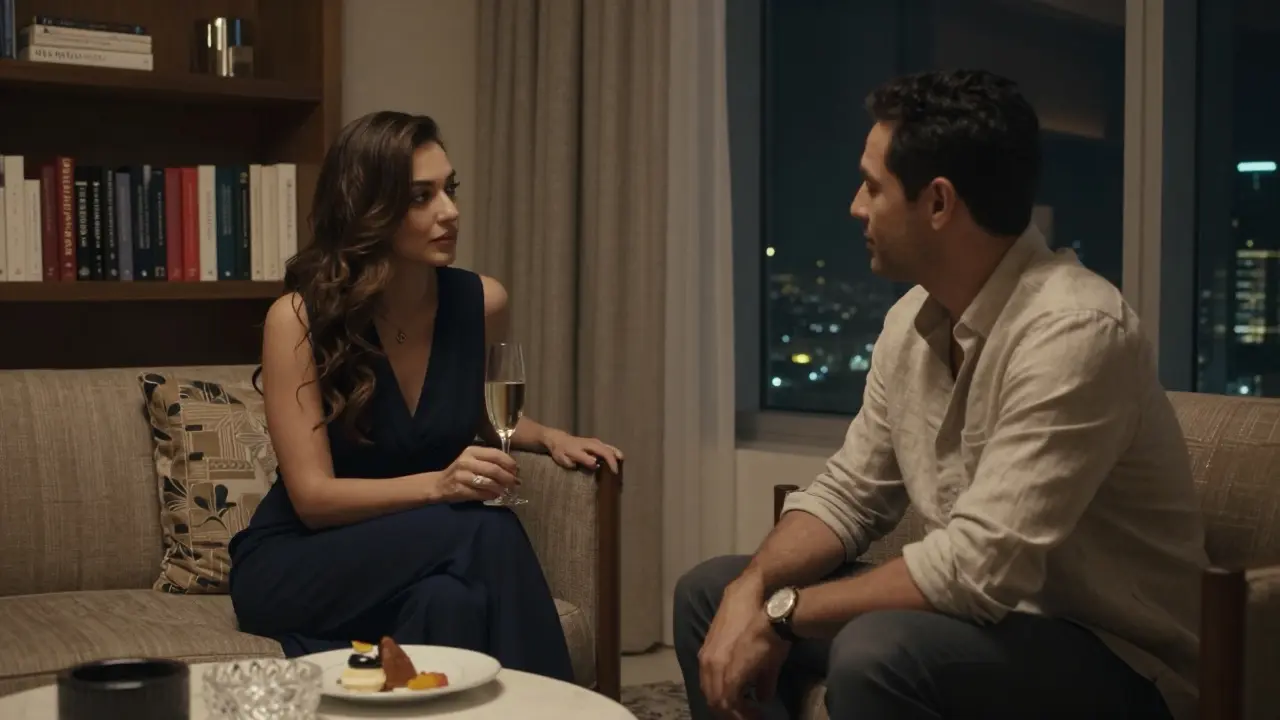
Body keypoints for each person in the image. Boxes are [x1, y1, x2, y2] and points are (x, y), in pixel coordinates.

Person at [674, 70, 1207, 720]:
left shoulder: (1074, 330)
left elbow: (978, 569)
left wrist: (784, 613)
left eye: (873, 186)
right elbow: (849, 495)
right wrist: (753, 588)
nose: (855, 207)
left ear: (938, 203)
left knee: (879, 648)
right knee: (709, 594)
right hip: (978, 627)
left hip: (1117, 660)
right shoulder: (910, 324)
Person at [227, 110, 622, 682]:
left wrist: (551, 437)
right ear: (369, 209)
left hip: (422, 555)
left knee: (450, 602)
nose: (451, 211)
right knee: (488, 527)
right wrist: (440, 487)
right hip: (302, 561)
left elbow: (480, 416)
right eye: (421, 196)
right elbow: (312, 498)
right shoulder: (297, 319)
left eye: (450, 189)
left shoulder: (482, 302)